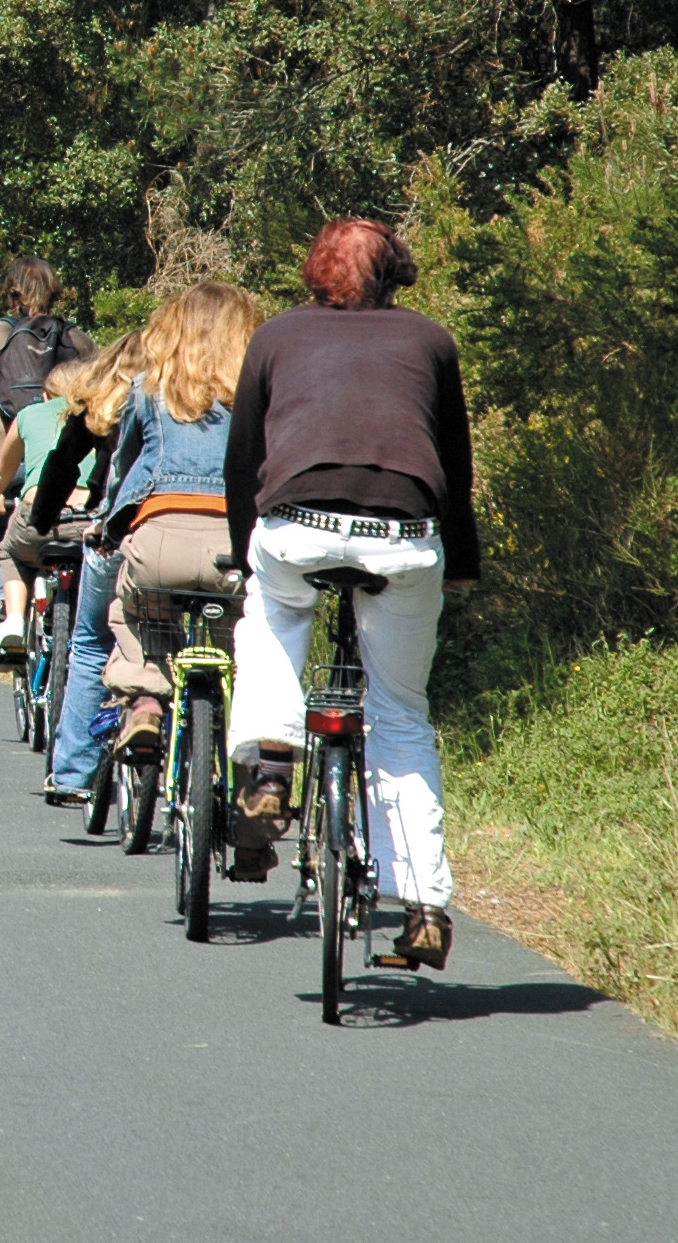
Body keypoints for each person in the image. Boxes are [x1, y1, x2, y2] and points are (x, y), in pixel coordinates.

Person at [224, 219, 480, 971]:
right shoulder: (431, 341)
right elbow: (454, 468)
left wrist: (248, 551)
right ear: (395, 274)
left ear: (312, 272)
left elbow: (246, 459)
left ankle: (271, 770)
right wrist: (459, 563)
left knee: (270, 619)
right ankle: (425, 907)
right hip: (404, 538)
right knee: (400, 712)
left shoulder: (274, 337)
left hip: (295, 526)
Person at [96, 284, 267, 854]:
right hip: (232, 544)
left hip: (160, 540)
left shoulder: (148, 389)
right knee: (245, 655)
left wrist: (106, 524)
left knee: (132, 609)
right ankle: (248, 814)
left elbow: (124, 470)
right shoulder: (258, 391)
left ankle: (146, 703)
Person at [0, 258, 94, 646]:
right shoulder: (77, 341)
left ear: (13, 295)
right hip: (69, 453)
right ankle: (73, 607)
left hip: (0, 452)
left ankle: (0, 602)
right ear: (55, 295)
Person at [29, 330, 142, 803]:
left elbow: (62, 464)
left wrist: (41, 518)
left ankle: (73, 772)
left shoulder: (103, 401)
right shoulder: (194, 395)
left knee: (92, 644)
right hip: (202, 537)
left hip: (119, 535)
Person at [0, 357, 91, 658]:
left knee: (8, 552)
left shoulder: (30, 415)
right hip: (87, 520)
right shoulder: (102, 417)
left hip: (37, 517)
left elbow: (3, 472)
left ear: (46, 394)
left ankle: (14, 620)